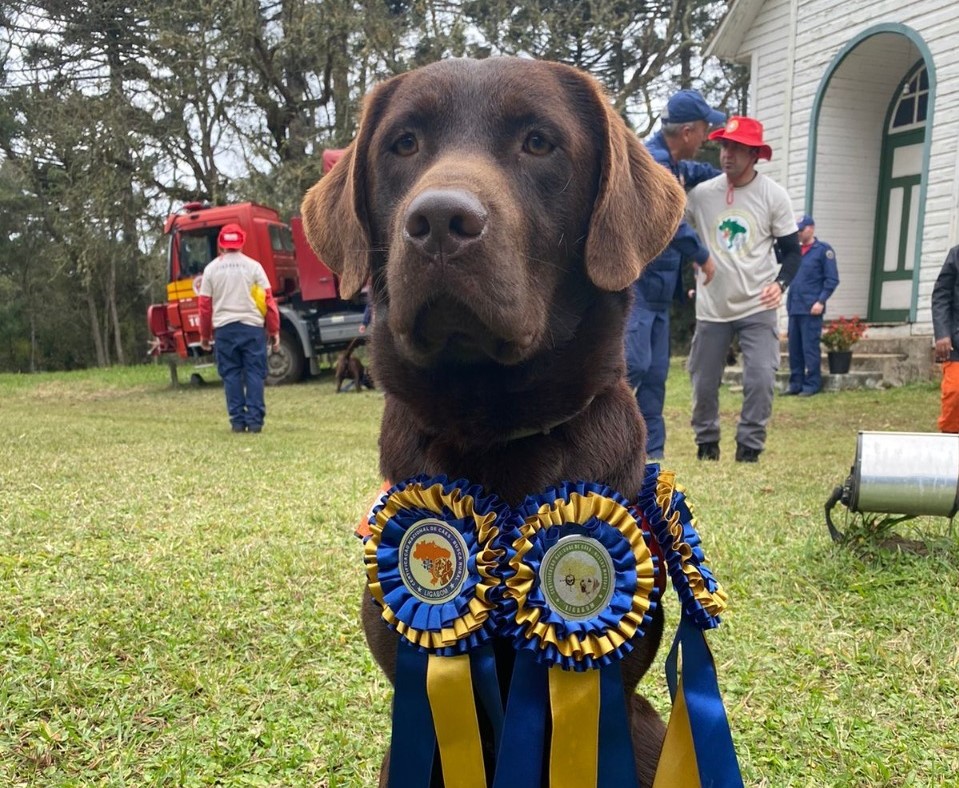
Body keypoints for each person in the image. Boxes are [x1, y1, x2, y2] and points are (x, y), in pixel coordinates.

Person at [684, 116, 803, 462]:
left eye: (737, 148)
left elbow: (793, 254)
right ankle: (707, 444)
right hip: (712, 306)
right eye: (724, 146)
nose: (727, 155)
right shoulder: (702, 195)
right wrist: (693, 260)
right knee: (703, 382)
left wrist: (780, 285)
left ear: (754, 155)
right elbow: (679, 231)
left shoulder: (773, 196)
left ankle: (749, 447)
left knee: (761, 377)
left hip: (757, 305)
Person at [625, 89, 723, 460]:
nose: (707, 138)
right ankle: (591, 438)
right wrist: (701, 255)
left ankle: (652, 455)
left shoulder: (675, 164)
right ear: (687, 131)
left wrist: (727, 175)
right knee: (632, 366)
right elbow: (670, 220)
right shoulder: (651, 162)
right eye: (704, 130)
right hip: (638, 286)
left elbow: (697, 174)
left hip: (662, 292)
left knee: (655, 375)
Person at [198, 223, 280, 433]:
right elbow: (268, 301)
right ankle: (254, 422)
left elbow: (205, 307)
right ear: (242, 242)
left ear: (221, 244)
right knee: (254, 373)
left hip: (225, 329)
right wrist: (274, 330)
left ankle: (237, 421)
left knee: (231, 374)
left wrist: (205, 336)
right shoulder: (254, 267)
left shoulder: (211, 269)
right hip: (252, 328)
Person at [785, 215, 839, 397]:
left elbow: (832, 279)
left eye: (801, 230)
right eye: (797, 231)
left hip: (811, 308)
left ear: (811, 228)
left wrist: (821, 301)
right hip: (795, 307)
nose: (799, 233)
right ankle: (795, 383)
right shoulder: (795, 251)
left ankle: (812, 383)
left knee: (810, 348)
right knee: (794, 349)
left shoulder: (823, 251)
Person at [931, 245, 959, 433]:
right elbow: (941, 296)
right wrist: (942, 334)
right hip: (956, 342)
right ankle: (949, 440)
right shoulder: (956, 254)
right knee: (955, 393)